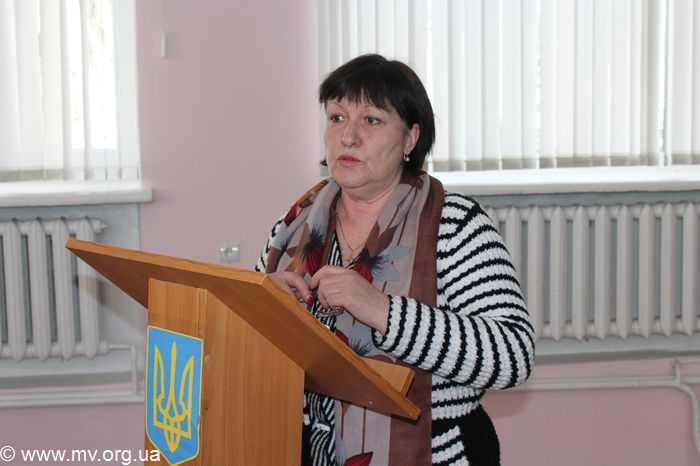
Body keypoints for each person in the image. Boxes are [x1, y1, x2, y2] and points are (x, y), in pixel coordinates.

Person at [255, 54, 534, 466]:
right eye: (336, 118)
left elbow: (512, 356)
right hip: (309, 451)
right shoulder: (295, 223)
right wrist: (262, 305)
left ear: (409, 139)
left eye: (371, 120)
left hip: (435, 452)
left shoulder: (454, 223)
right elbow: (250, 349)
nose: (348, 136)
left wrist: (383, 311)